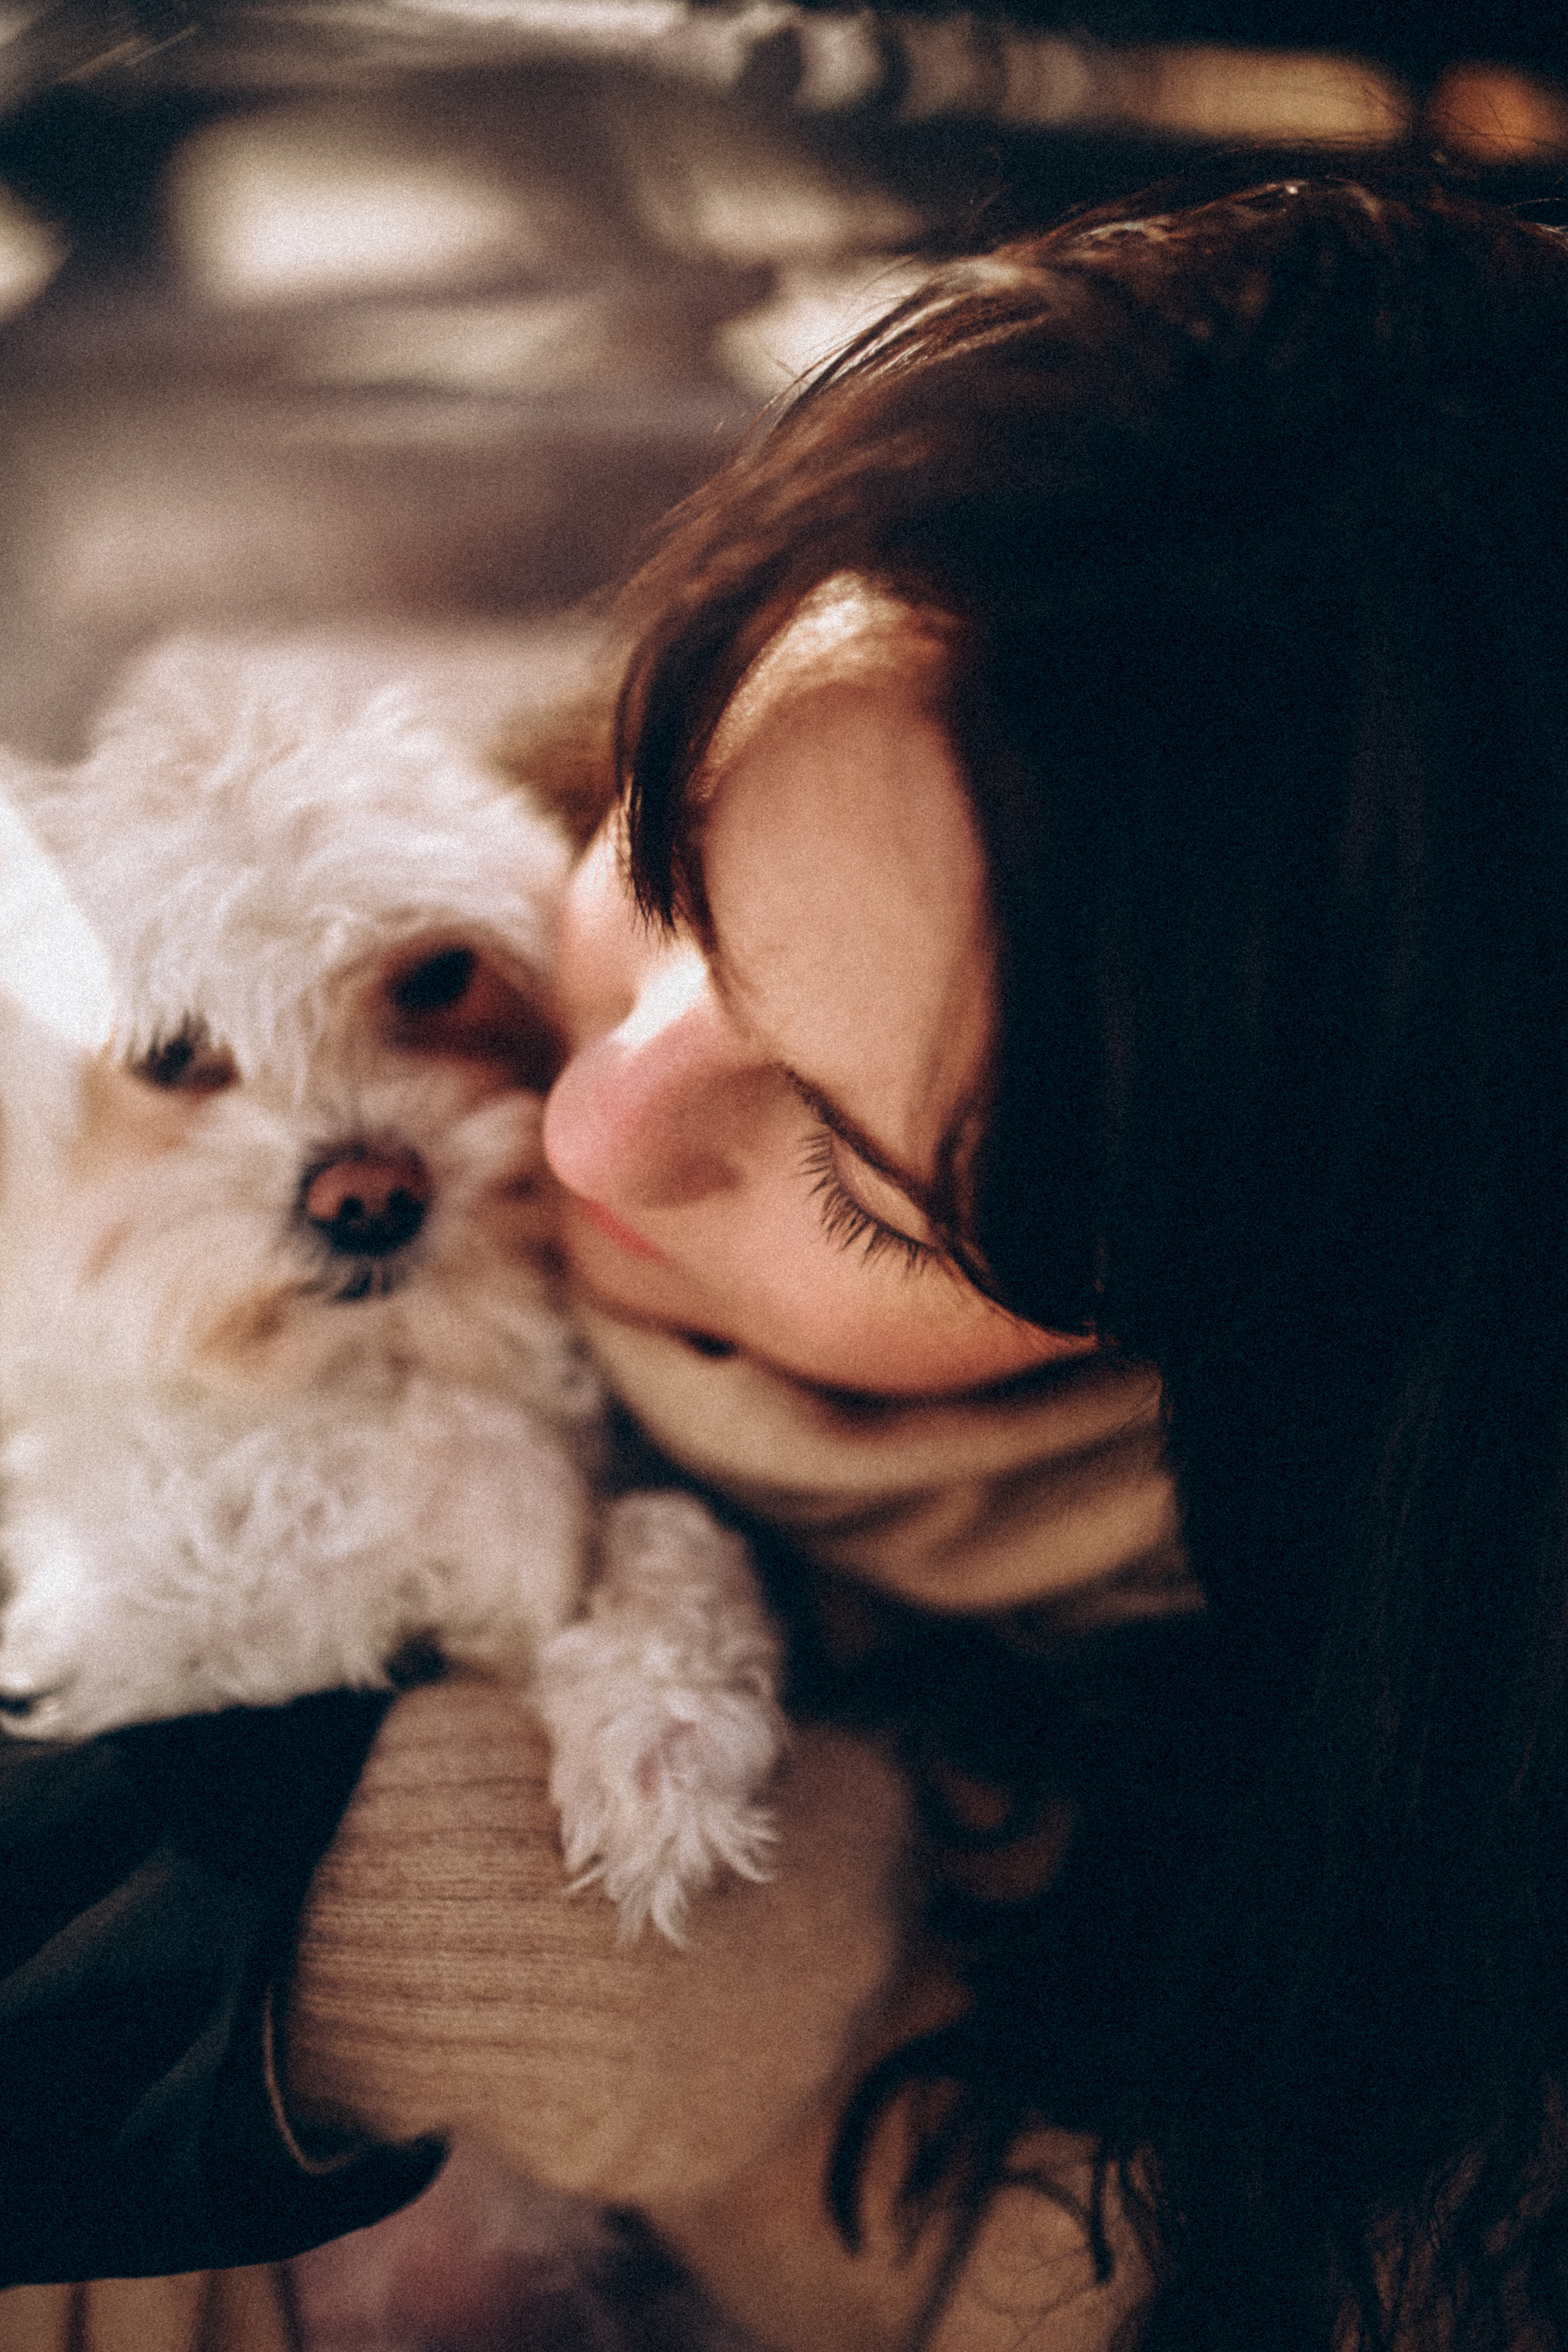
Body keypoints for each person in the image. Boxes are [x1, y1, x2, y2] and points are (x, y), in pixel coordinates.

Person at [5, 166, 1568, 2352]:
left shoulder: (1425, 1963)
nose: (576, 1122)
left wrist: (723, 2053)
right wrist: (266, 1912)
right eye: (661, 855)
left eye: (856, 1178)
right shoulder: (346, 876)